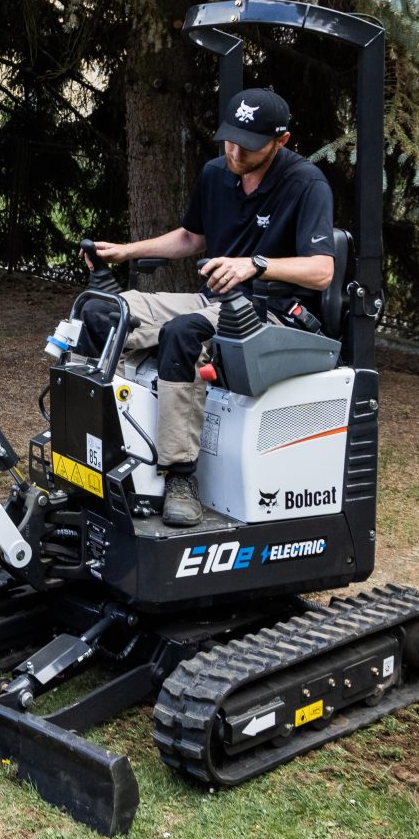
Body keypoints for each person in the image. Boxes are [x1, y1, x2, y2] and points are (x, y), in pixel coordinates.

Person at [80, 88, 336, 527]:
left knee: (184, 332)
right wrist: (125, 250)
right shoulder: (216, 173)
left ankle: (180, 477)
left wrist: (255, 266)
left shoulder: (306, 184)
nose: (234, 151)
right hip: (213, 300)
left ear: (282, 140)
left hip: (266, 313)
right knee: (104, 312)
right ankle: (94, 447)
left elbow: (322, 271)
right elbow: (191, 237)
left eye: (248, 145)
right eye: (229, 140)